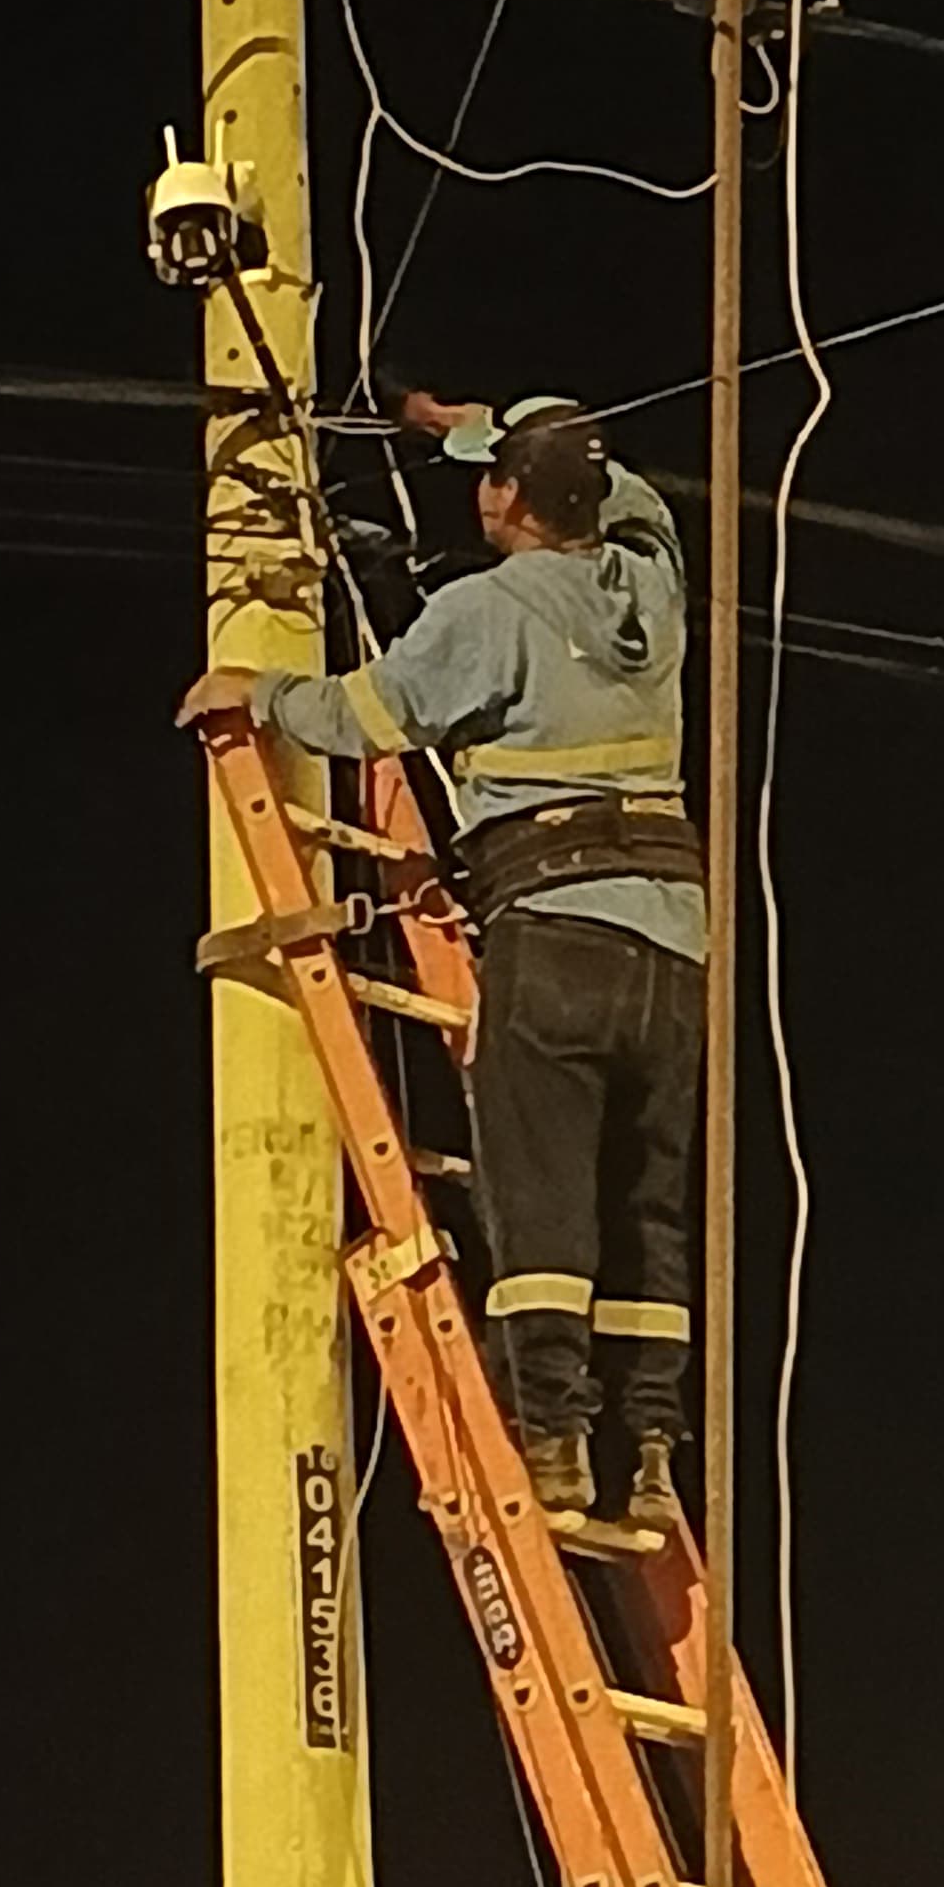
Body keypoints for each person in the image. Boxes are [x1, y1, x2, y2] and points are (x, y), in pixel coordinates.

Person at [178, 390, 702, 1530]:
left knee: (541, 1193)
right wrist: (485, 431)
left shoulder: (486, 609)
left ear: (505, 496)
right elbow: (641, 504)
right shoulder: (652, 589)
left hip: (555, 926)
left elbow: (361, 716)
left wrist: (255, 690)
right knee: (648, 1203)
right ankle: (656, 1452)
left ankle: (556, 1440)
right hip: (674, 943)